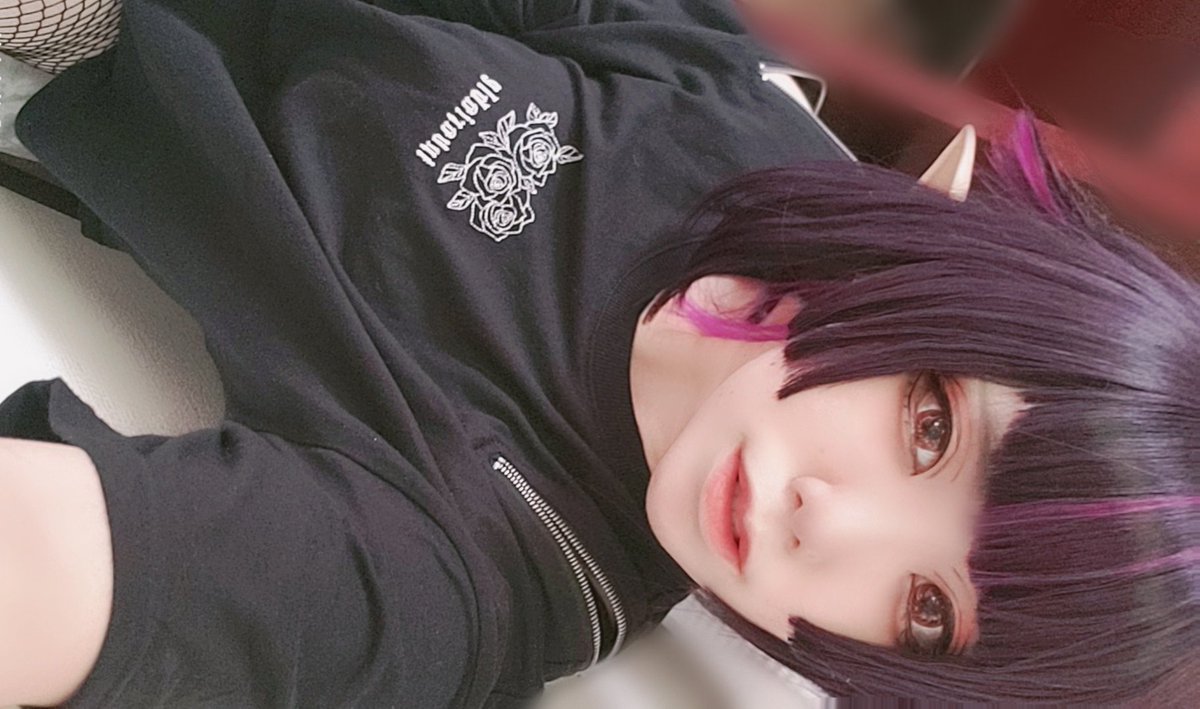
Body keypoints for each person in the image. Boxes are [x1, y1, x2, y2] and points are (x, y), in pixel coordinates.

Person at [0, 0, 1195, 706]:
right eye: (930, 428)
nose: (829, 525)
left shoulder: (493, 565)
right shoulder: (761, 148)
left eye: (926, 611)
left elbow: (66, 568)